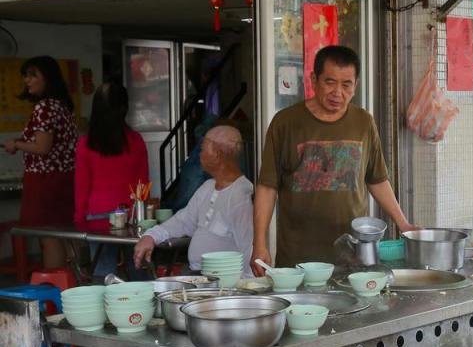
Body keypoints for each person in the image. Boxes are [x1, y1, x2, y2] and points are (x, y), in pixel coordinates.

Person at [252, 45, 414, 270]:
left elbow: (376, 179)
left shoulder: (363, 122)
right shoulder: (285, 123)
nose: (338, 93)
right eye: (330, 82)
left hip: (354, 256)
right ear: (313, 80)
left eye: (346, 84)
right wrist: (259, 243)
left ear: (355, 85)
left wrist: (403, 223)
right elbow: (267, 187)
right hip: (298, 257)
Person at [133, 126, 253, 276]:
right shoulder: (207, 187)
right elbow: (183, 221)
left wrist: (248, 289)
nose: (199, 154)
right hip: (196, 276)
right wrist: (150, 236)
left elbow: (249, 248)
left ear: (217, 154)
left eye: (203, 148)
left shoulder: (241, 195)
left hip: (223, 282)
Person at [3, 56, 78, 268]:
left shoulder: (44, 107)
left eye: (32, 75)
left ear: (48, 78)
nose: (27, 80)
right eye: (25, 76)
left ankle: (55, 288)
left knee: (49, 235)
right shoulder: (62, 106)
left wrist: (16, 144)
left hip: (46, 181)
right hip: (65, 178)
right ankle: (75, 282)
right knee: (65, 233)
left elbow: (42, 147)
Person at [74, 81, 149, 279]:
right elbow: (143, 184)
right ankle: (142, 308)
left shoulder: (85, 143)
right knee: (139, 267)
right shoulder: (136, 141)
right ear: (124, 108)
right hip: (132, 215)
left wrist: (79, 219)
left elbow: (82, 186)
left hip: (97, 217)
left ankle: (105, 308)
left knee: (103, 273)